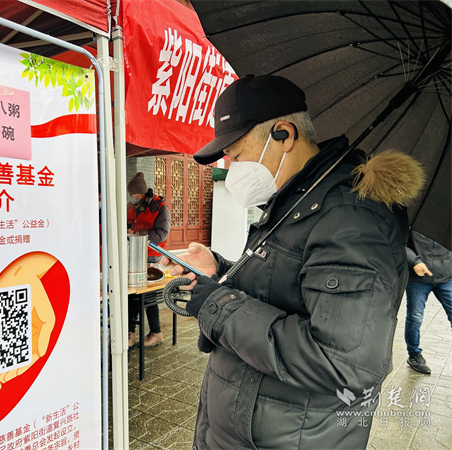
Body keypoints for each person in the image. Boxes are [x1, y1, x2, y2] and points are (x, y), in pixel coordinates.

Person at [161, 75, 425, 448]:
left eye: (237, 155)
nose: (232, 168)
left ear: (284, 134)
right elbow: (281, 288)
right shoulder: (296, 201)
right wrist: (219, 270)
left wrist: (219, 307)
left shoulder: (351, 219)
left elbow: (344, 363)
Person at [126, 172, 171, 348]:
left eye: (133, 194)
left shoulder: (160, 208)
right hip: (133, 255)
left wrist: (137, 234)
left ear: (142, 193)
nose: (131, 197)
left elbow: (161, 234)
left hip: (151, 257)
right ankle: (131, 333)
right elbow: (129, 223)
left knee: (148, 297)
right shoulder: (133, 206)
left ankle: (155, 333)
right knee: (132, 295)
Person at [404, 230, 452, 374]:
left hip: (446, 277)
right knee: (415, 318)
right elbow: (399, 244)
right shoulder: (415, 220)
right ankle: (414, 355)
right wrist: (414, 261)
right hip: (418, 279)